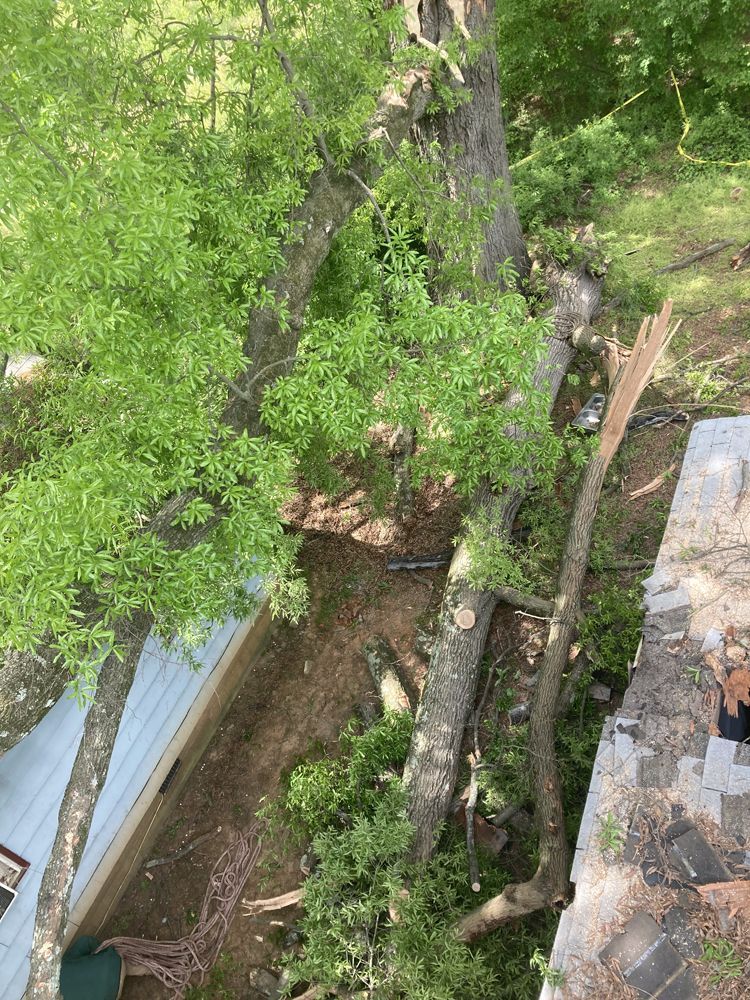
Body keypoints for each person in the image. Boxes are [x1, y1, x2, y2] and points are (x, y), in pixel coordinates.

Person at [60, 936, 125, 1000]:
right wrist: (100, 953)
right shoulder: (62, 964)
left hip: (112, 995)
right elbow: (85, 940)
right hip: (114, 962)